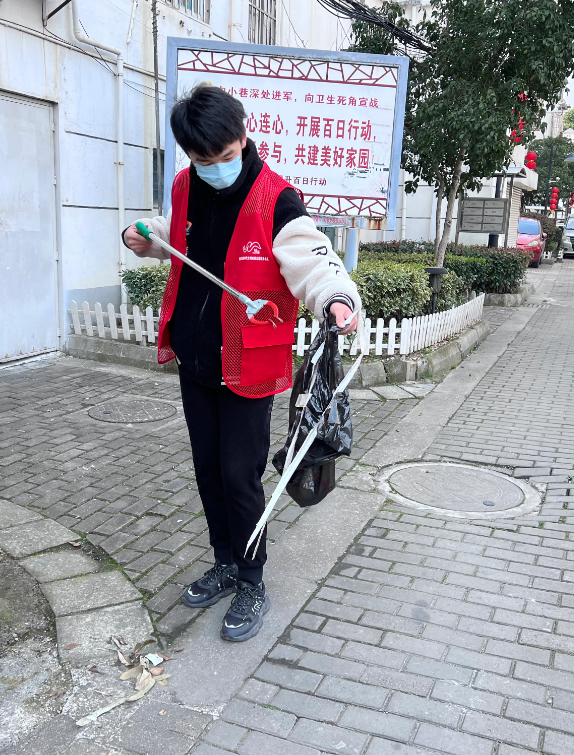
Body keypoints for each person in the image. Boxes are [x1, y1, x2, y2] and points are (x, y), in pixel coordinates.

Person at [121, 85, 361, 643]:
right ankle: (224, 562)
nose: (216, 168)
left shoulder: (278, 200)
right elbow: (179, 237)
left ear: (244, 136)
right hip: (195, 357)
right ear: (189, 155)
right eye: (204, 160)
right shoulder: (186, 186)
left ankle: (252, 580)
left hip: (249, 365)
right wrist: (143, 238)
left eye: (226, 156)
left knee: (239, 475)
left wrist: (337, 299)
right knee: (207, 470)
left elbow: (313, 261)